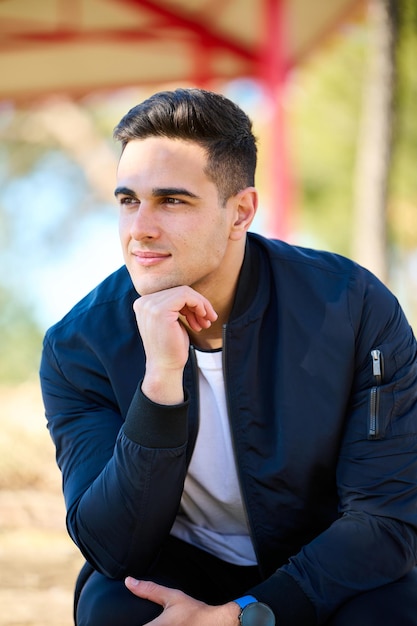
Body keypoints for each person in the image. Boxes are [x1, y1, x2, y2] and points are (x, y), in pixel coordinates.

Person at [39, 87, 417, 626]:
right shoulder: (79, 345)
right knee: (113, 610)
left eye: (172, 200)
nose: (139, 228)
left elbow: (385, 518)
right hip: (178, 568)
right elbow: (110, 546)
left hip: (323, 565)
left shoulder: (351, 307)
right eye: (128, 200)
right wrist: (161, 382)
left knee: (394, 610)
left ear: (240, 211)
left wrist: (247, 615)